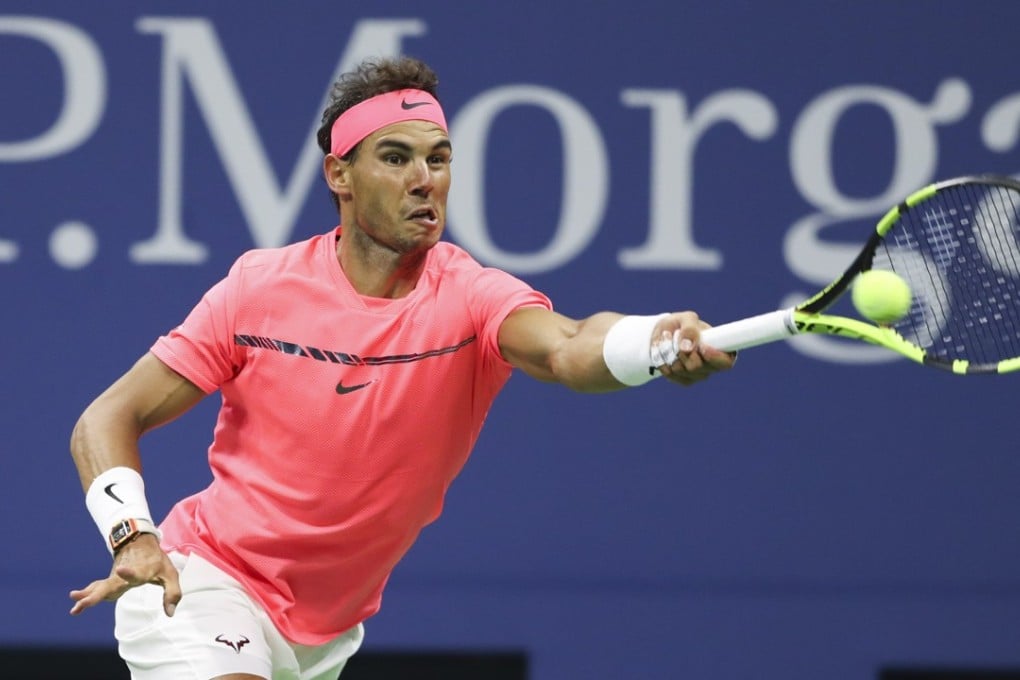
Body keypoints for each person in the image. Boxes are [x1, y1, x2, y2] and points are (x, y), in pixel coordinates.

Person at [68, 56, 735, 680]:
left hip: (325, 634)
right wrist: (132, 536)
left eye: (438, 159)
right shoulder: (257, 289)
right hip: (202, 581)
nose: (425, 180)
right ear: (340, 175)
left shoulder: (471, 294)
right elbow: (106, 418)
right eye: (397, 158)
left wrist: (651, 342)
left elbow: (568, 346)